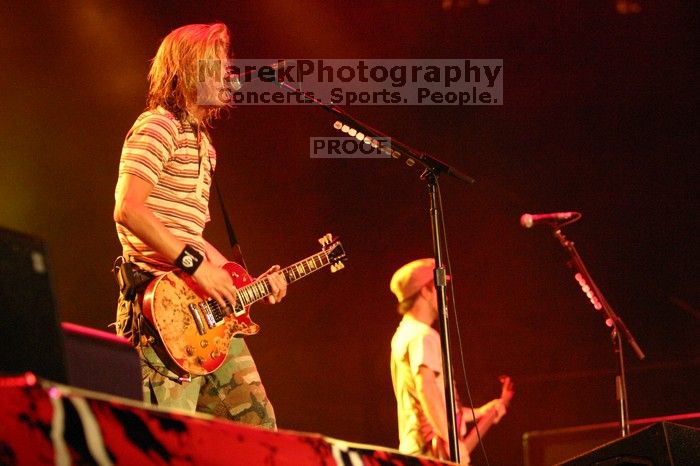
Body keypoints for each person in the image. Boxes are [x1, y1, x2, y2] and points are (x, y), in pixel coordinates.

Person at [112, 23, 286, 429]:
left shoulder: (203, 145)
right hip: (164, 314)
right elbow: (128, 208)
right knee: (166, 443)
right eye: (219, 67)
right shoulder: (158, 125)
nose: (229, 76)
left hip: (206, 318)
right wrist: (196, 266)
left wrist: (242, 281)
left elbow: (188, 235)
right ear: (192, 71)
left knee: (260, 433)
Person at [389, 258, 511, 464]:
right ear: (426, 292)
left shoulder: (403, 335)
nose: (445, 295)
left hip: (418, 452)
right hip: (429, 454)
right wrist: (452, 441)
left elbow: (437, 404)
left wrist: (480, 413)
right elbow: (426, 389)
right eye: (440, 288)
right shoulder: (422, 335)